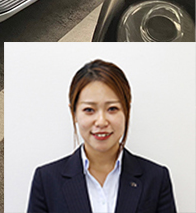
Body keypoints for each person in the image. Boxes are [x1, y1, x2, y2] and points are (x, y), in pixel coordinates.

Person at [27, 59, 176, 213]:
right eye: (89, 110)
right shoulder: (46, 180)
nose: (101, 122)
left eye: (112, 109)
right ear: (74, 113)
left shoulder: (156, 178)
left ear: (126, 110)